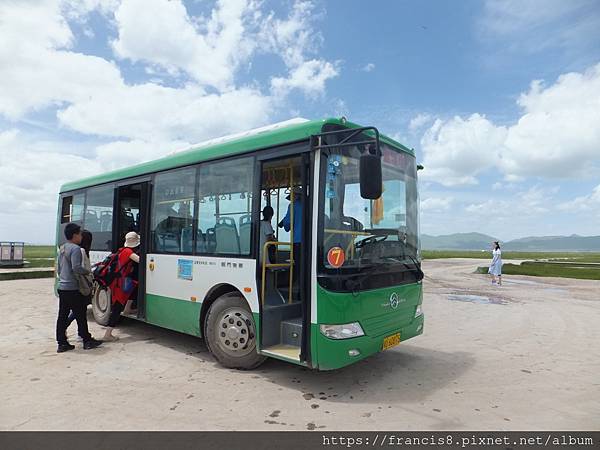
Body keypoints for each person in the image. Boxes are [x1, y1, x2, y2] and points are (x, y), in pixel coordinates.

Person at [56, 223, 102, 353]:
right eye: (80, 234)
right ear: (75, 235)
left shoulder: (63, 247)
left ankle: (62, 343)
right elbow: (76, 267)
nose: (81, 236)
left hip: (62, 287)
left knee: (62, 315)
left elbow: (59, 268)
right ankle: (87, 341)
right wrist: (88, 271)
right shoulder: (75, 249)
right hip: (72, 288)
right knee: (81, 315)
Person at [103, 232, 140, 342]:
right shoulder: (128, 252)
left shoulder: (122, 250)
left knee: (135, 288)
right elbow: (140, 260)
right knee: (117, 308)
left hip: (119, 282)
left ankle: (127, 309)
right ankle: (107, 334)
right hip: (120, 283)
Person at [66, 230, 93, 336]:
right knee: (79, 311)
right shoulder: (81, 251)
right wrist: (88, 273)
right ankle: (66, 327)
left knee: (80, 311)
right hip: (81, 286)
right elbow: (78, 268)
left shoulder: (83, 250)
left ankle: (80, 333)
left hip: (83, 285)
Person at [278, 187, 303, 287]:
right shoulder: (309, 206)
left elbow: (288, 224)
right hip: (310, 242)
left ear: (295, 196)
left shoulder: (292, 206)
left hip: (297, 240)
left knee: (297, 265)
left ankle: (297, 287)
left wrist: (283, 223)